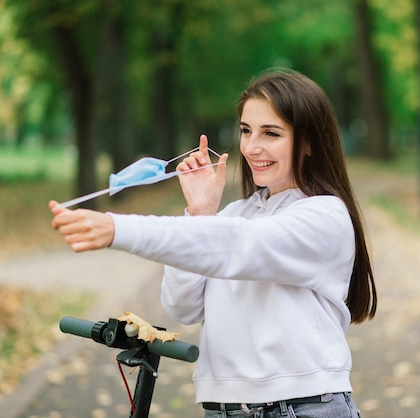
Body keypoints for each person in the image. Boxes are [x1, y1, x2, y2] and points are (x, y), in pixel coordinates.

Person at [50, 68, 376, 418]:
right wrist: (201, 212)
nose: (252, 147)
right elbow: (182, 306)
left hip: (303, 407)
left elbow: (235, 246)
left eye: (271, 133)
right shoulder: (235, 214)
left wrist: (118, 229)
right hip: (222, 410)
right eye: (246, 131)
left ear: (308, 141)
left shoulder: (324, 216)